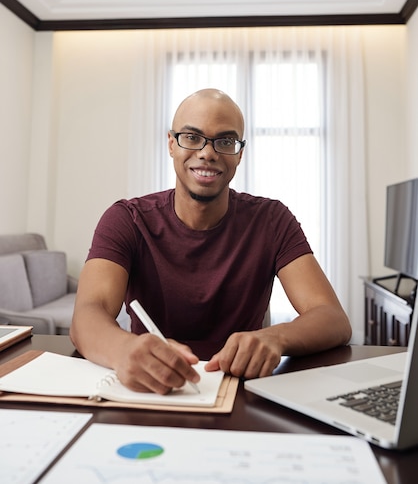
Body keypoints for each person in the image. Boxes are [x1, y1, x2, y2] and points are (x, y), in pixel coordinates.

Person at [70, 88, 351, 395]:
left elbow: (332, 317)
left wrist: (276, 337)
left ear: (240, 153)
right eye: (192, 137)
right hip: (151, 389)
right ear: (171, 144)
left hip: (242, 392)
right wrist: (123, 349)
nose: (208, 153)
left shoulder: (272, 219)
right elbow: (87, 314)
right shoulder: (127, 219)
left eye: (225, 141)